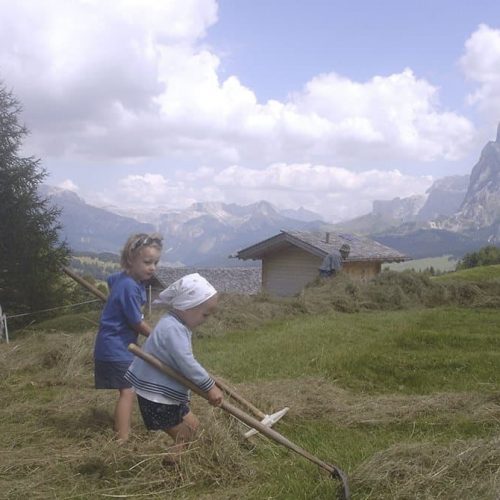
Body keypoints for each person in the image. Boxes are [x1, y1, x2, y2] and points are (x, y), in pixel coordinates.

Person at [125, 273, 224, 463]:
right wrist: (209, 387)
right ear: (188, 307)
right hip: (156, 397)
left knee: (193, 427)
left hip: (167, 396)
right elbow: (186, 362)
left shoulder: (174, 323)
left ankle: (177, 463)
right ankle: (172, 467)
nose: (206, 319)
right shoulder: (173, 329)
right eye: (205, 314)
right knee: (183, 436)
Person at [94, 233, 163, 442]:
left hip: (113, 344)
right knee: (128, 391)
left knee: (128, 388)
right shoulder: (129, 287)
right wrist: (158, 337)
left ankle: (123, 432)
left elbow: (111, 279)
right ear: (130, 260)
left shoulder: (124, 280)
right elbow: (136, 322)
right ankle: (122, 439)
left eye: (156, 263)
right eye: (147, 262)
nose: (152, 268)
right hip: (116, 347)